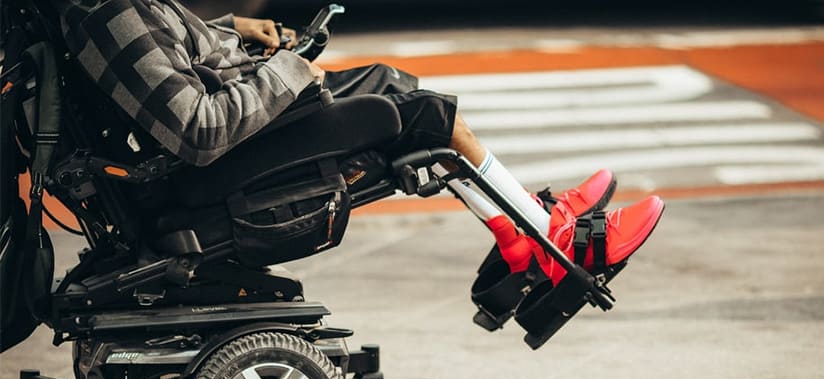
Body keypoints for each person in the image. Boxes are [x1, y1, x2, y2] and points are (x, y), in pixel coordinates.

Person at [52, 0, 663, 284]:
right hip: (213, 171)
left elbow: (162, 58)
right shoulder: (112, 12)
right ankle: (552, 243)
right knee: (423, 116)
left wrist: (229, 33)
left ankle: (520, 228)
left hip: (221, 143)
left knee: (390, 83)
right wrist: (287, 72)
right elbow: (199, 129)